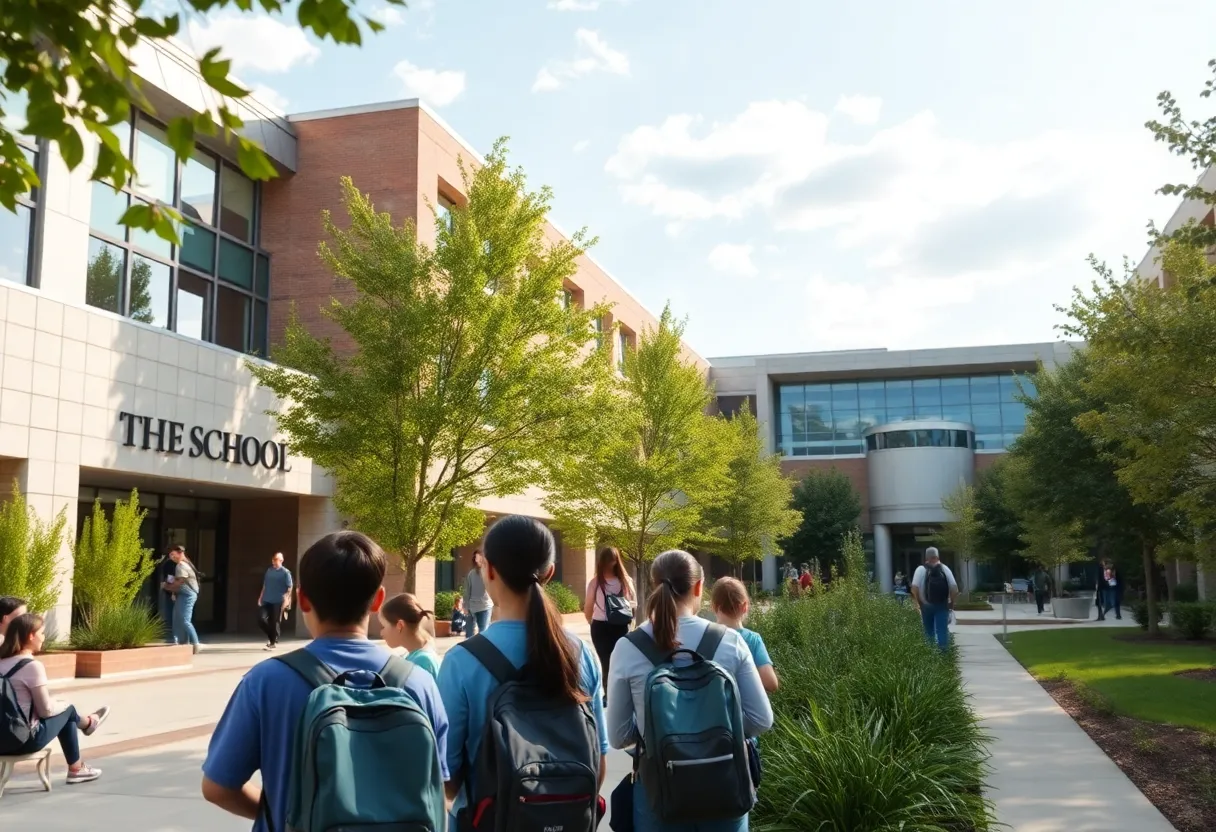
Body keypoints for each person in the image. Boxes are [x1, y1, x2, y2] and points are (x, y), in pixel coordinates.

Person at [202, 531, 449, 831]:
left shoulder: (266, 682)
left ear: (303, 599)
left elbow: (217, 787)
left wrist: (276, 812)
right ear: (378, 600)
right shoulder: (418, 683)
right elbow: (437, 791)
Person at [438, 516, 608, 831]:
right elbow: (597, 765)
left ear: (487, 570)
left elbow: (446, 774)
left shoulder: (461, 661)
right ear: (550, 573)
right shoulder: (580, 654)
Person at [607, 550, 774, 831]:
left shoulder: (628, 647)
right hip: (723, 788)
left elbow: (618, 736)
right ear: (699, 587)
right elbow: (761, 719)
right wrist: (715, 731)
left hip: (659, 794)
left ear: (653, 585)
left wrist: (661, 731)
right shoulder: (730, 641)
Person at [0, 613, 110, 784]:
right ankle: (86, 732)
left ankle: (87, 728)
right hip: (22, 740)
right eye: (42, 633)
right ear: (31, 635)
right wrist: (63, 705)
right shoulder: (31, 666)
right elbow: (45, 711)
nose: (43, 637)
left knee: (65, 711)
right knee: (67, 710)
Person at [584, 545, 636, 700]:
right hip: (621, 626)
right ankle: (618, 693)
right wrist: (630, 621)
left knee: (606, 661)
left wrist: (590, 621)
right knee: (619, 661)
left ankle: (609, 694)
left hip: (600, 626)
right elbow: (634, 604)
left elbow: (588, 606)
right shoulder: (626, 581)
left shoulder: (595, 582)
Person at [379, 592, 441, 680]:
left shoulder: (422, 661)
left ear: (400, 625)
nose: (381, 633)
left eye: (383, 626)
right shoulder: (417, 656)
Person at [910, 547, 958, 653]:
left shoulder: (920, 569)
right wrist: (951, 603)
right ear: (938, 556)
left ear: (926, 557)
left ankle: (930, 656)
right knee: (942, 630)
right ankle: (943, 656)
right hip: (942, 605)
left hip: (925, 606)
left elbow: (914, 588)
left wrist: (918, 603)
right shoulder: (945, 569)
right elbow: (954, 588)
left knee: (928, 631)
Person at [162, 545, 202, 653]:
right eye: (170, 555)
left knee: (185, 620)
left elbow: (180, 582)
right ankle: (183, 642)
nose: (171, 557)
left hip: (188, 594)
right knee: (177, 618)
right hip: (183, 594)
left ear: (180, 553)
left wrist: (167, 587)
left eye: (173, 554)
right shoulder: (181, 564)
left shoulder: (181, 565)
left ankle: (196, 643)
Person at [257, 552, 294, 651]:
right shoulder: (269, 571)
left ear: (281, 561)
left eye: (276, 559)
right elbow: (265, 585)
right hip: (266, 599)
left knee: (274, 622)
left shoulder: (285, 572)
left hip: (278, 601)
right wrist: (260, 597)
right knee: (261, 619)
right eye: (273, 559)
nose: (274, 561)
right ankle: (273, 635)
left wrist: (286, 599)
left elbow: (290, 587)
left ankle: (272, 642)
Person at [461, 549, 493, 638]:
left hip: (485, 606)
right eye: (475, 558)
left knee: (483, 632)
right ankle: (469, 651)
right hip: (472, 607)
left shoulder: (488, 572)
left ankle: (482, 650)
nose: (477, 560)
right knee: (469, 634)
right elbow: (467, 591)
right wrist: (465, 606)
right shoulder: (471, 574)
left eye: (479, 558)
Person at [156, 550, 177, 643]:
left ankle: (172, 635)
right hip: (172, 591)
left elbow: (169, 577)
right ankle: (172, 635)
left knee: (171, 612)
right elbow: (170, 577)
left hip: (172, 590)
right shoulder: (170, 564)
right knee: (172, 612)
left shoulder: (171, 563)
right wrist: (171, 590)